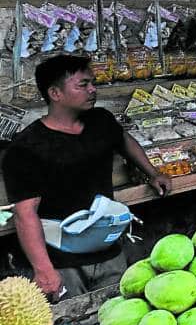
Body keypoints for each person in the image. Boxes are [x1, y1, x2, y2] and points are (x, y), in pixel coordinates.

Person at [2, 55, 171, 299]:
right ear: (55, 93)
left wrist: (153, 173)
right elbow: (25, 214)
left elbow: (123, 140)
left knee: (119, 316)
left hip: (109, 250)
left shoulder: (100, 121)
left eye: (93, 83)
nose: (92, 89)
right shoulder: (27, 148)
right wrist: (44, 270)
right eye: (82, 85)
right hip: (63, 261)